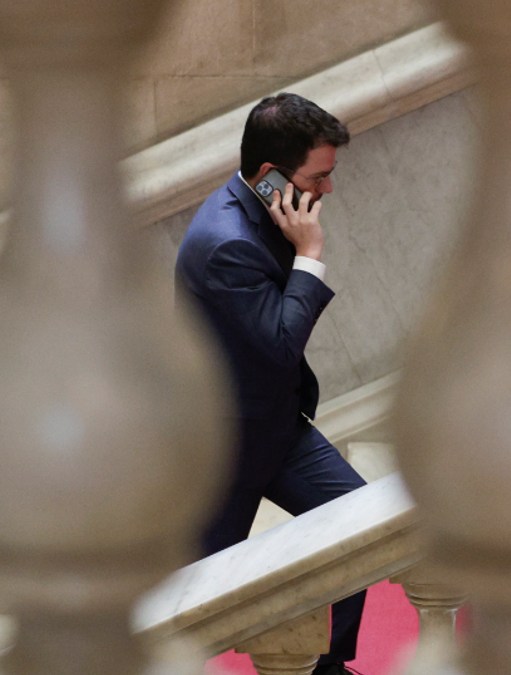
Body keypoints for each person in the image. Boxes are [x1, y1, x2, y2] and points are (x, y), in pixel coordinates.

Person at [175, 93, 365, 675]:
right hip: (223, 446)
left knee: (360, 525)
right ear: (269, 176)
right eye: (320, 177)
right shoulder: (226, 241)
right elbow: (282, 344)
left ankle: (327, 669)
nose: (328, 190)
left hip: (275, 425)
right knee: (189, 607)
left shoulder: (269, 210)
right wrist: (310, 254)